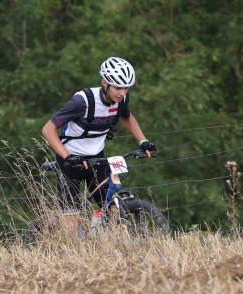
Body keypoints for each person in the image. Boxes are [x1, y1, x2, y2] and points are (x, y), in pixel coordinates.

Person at [41, 57, 157, 234]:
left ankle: (105, 245)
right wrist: (68, 156)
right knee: (72, 221)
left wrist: (143, 142)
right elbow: (48, 129)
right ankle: (72, 251)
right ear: (104, 82)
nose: (122, 92)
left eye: (126, 88)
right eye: (118, 87)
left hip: (98, 158)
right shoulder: (83, 101)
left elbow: (127, 117)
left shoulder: (121, 100)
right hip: (70, 161)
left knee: (113, 208)